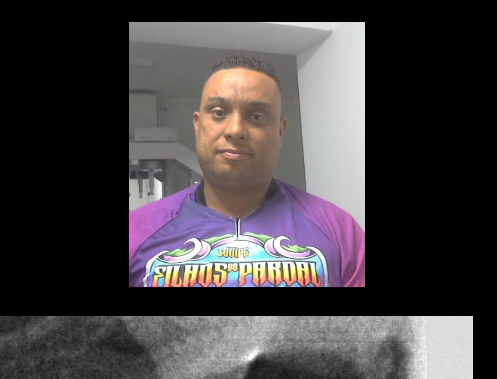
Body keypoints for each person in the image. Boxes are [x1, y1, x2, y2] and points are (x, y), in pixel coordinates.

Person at [130, 58, 365, 285]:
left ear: (280, 131)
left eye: (257, 116)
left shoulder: (339, 230)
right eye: (219, 112)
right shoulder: (136, 230)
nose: (235, 130)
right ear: (198, 124)